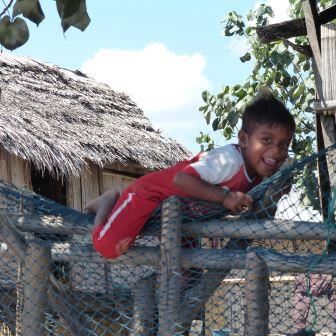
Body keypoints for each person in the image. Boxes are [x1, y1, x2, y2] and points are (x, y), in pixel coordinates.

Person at [85, 91, 296, 259]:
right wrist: (225, 197)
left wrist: (278, 191)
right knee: (108, 248)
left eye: (284, 144)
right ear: (243, 140)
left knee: (189, 272)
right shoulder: (228, 160)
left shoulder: (259, 176)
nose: (277, 150)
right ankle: (107, 201)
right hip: (150, 196)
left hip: (183, 217)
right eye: (267, 140)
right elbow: (181, 179)